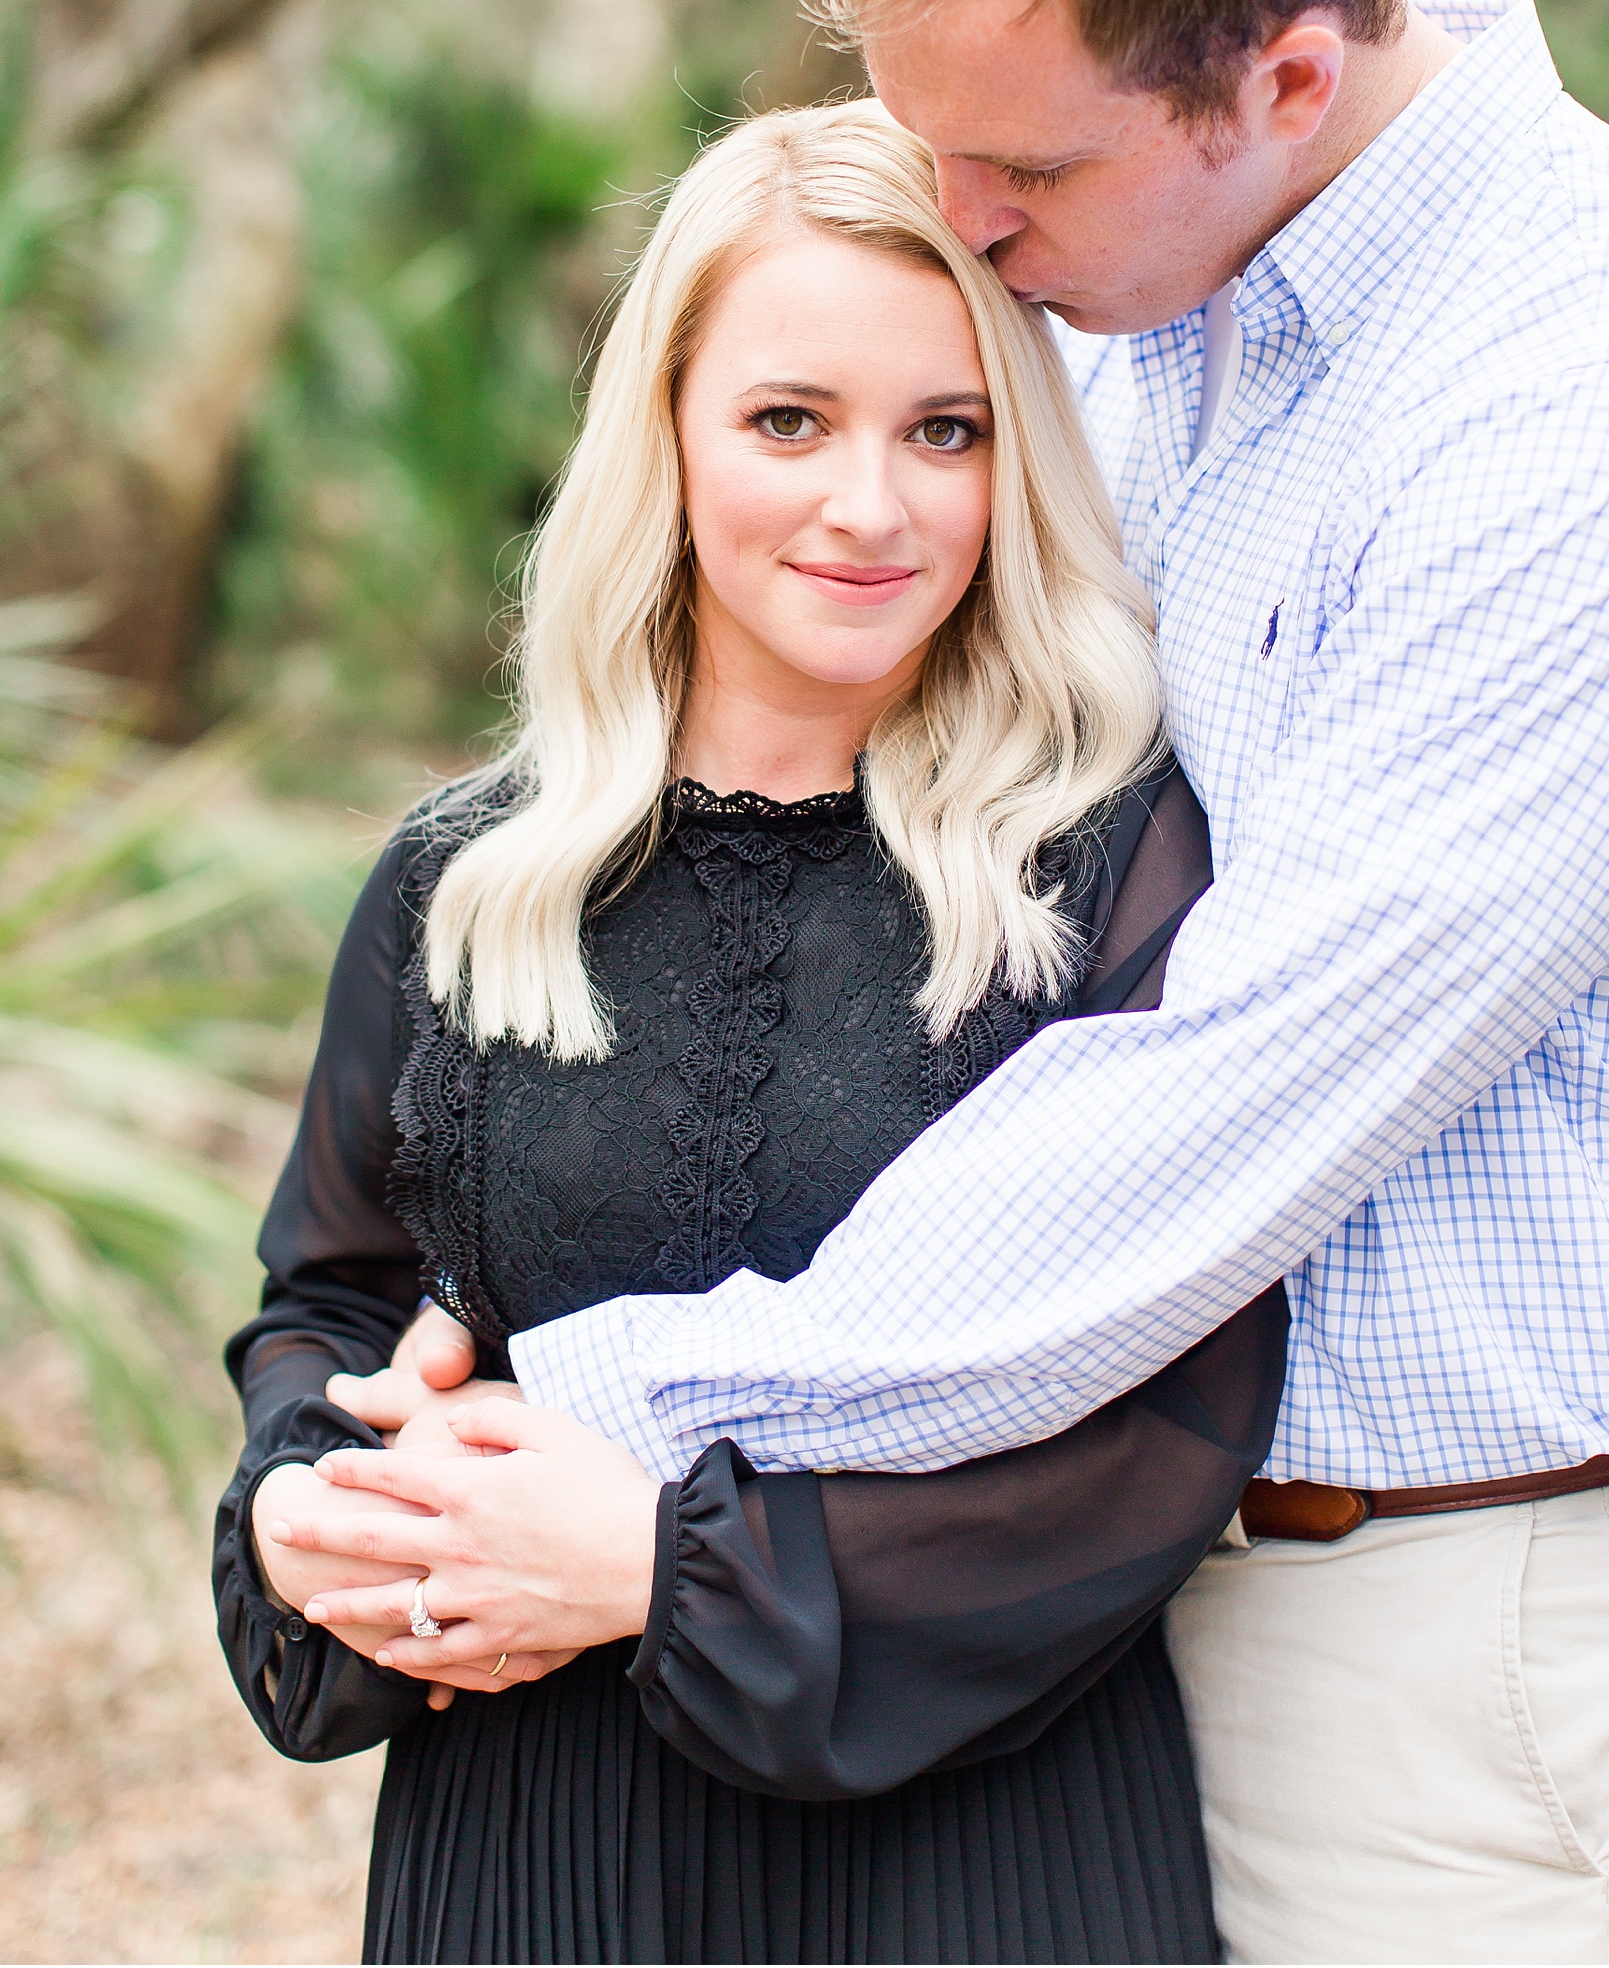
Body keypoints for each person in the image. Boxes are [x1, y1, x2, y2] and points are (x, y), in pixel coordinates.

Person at [282, 0, 1609, 1968]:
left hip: (1522, 1660)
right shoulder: (1160, 320)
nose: (964, 231)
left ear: (1277, 76)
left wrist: (618, 1422)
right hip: (1158, 1657)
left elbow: (1223, 1087)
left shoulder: (1604, 404)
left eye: (1014, 163)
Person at [216, 100, 1289, 1965]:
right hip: (533, 1853)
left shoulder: (1112, 867)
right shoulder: (466, 882)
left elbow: (1165, 1409)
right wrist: (319, 1509)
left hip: (990, 1851)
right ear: (671, 434)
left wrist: (661, 1570)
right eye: (789, 419)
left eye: (943, 429)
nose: (869, 504)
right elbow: (331, 1299)